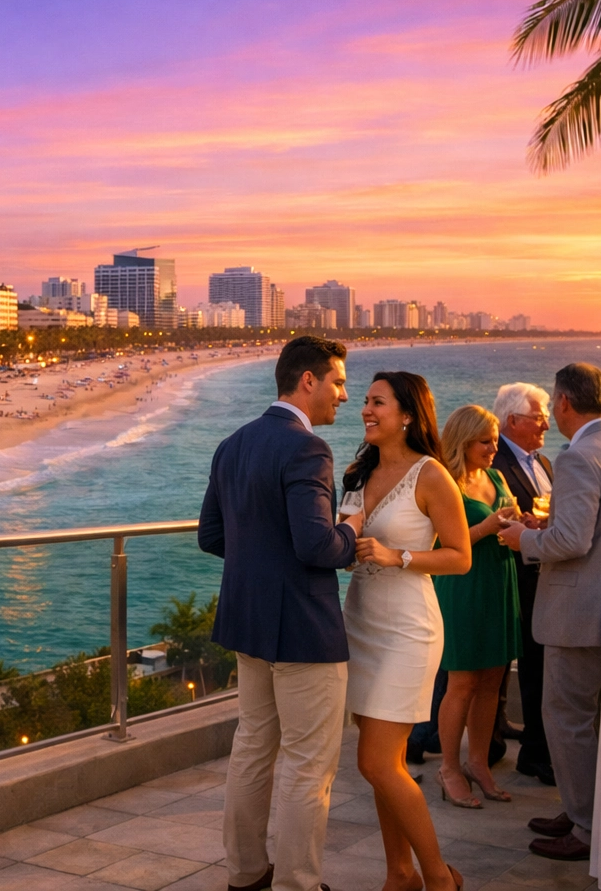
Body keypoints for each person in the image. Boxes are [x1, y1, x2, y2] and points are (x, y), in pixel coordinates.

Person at [199, 335, 359, 891]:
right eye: (337, 382)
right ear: (307, 381)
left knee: (252, 748)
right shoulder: (308, 449)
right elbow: (317, 547)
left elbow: (211, 536)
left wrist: (261, 564)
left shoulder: (233, 444)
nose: (344, 394)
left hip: (248, 622)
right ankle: (297, 883)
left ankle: (244, 874)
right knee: (308, 764)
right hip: (303, 629)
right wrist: (352, 531)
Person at [500, 363, 601, 863]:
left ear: (564, 401)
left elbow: (571, 540)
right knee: (599, 720)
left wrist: (522, 538)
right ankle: (586, 808)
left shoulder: (579, 457)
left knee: (567, 718)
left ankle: (589, 827)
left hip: (581, 609)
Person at [342, 372, 470, 891]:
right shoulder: (356, 473)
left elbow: (460, 557)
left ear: (409, 415)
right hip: (360, 623)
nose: (367, 410)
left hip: (406, 631)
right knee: (384, 764)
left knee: (374, 761)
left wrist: (401, 556)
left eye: (378, 402)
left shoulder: (431, 474)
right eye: (366, 402)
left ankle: (438, 877)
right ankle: (400, 874)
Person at [434, 405, 521, 810]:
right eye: (485, 440)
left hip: (498, 580)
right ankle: (448, 768)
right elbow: (435, 543)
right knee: (462, 683)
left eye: (496, 438)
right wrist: (488, 527)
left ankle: (478, 763)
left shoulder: (496, 475)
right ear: (463, 441)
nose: (494, 446)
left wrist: (522, 525)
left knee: (492, 679)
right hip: (463, 586)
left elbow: (504, 526)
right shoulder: (445, 482)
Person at [490, 382, 555, 786]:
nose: (546, 423)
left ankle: (507, 732)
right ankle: (531, 751)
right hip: (515, 573)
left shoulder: (544, 463)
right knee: (528, 663)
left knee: (534, 661)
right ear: (512, 421)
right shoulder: (495, 461)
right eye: (537, 416)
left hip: (543, 573)